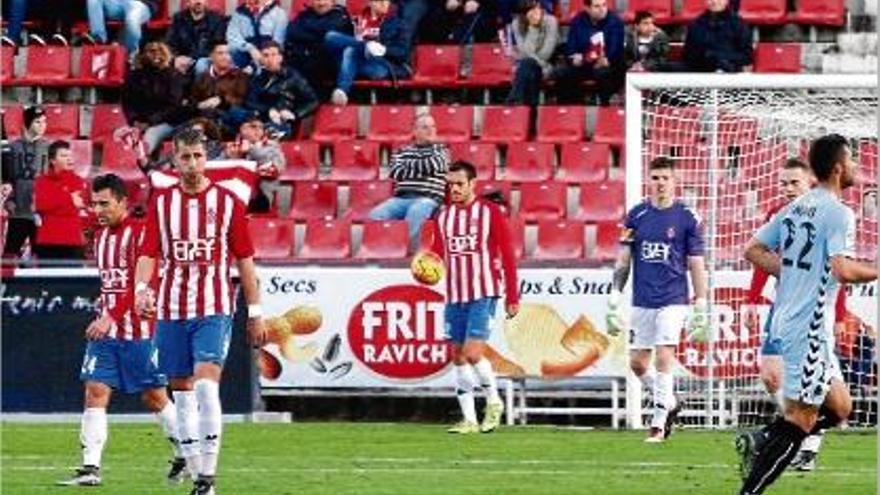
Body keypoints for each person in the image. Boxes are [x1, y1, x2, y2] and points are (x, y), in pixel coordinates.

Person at [738, 134, 877, 495]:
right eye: (852, 161)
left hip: (796, 320)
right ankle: (750, 488)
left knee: (841, 407)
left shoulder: (795, 208)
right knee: (802, 417)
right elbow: (843, 270)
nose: (856, 168)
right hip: (809, 326)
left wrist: (794, 272)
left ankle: (765, 437)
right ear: (837, 168)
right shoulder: (839, 212)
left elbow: (752, 250)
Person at [134, 128, 266, 495]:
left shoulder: (227, 202)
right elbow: (148, 253)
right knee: (183, 395)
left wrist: (255, 312)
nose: (192, 164)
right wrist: (142, 289)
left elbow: (245, 261)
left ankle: (209, 472)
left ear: (206, 158)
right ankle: (199, 480)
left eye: (198, 156)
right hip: (172, 308)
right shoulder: (162, 204)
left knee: (207, 385)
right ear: (174, 160)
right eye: (185, 157)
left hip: (214, 306)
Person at [57, 173, 185, 487]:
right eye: (94, 203)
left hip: (139, 330)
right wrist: (106, 307)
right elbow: (112, 283)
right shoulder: (100, 236)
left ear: (122, 202)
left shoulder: (140, 234)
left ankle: (186, 452)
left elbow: (137, 284)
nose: (98, 209)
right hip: (107, 333)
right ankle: (90, 469)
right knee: (95, 391)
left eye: (105, 203)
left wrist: (110, 315)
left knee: (154, 397)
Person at [736, 158, 848, 474]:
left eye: (794, 183)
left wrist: (839, 315)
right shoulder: (779, 216)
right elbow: (762, 257)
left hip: (817, 317)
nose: (787, 189)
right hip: (785, 308)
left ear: (810, 183)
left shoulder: (830, 217)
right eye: (783, 183)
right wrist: (751, 299)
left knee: (834, 400)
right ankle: (788, 435)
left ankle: (803, 443)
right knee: (771, 376)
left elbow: (841, 270)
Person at [606, 156, 708, 443]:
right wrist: (614, 296)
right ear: (649, 181)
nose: (660, 183)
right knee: (638, 363)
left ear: (675, 181)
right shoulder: (636, 216)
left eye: (665, 178)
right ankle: (671, 401)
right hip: (642, 300)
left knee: (664, 355)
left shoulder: (688, 217)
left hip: (673, 299)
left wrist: (701, 302)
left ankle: (659, 422)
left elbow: (697, 263)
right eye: (655, 178)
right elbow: (624, 260)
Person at [428, 160, 519, 434]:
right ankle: (468, 419)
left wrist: (512, 295)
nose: (454, 189)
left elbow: (507, 253)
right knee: (457, 356)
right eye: (450, 184)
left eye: (459, 184)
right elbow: (437, 256)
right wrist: (426, 269)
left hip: (484, 291)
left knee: (472, 352)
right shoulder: (442, 216)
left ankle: (493, 401)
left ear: (472, 184)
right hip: (455, 293)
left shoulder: (489, 212)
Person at [369, 113, 449, 247]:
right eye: (425, 127)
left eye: (433, 127)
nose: (430, 130)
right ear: (415, 131)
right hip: (401, 199)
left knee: (416, 212)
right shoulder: (401, 151)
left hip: (428, 198)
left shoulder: (441, 151)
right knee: (376, 215)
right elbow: (396, 172)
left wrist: (410, 167)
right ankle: (384, 249)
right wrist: (423, 168)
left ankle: (404, 249)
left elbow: (435, 165)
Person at [325, 0, 412, 106]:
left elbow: (403, 53)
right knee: (331, 37)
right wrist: (365, 46)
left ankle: (342, 90)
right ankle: (366, 47)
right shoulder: (357, 21)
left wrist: (384, 50)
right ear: (370, 3)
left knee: (351, 50)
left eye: (386, 1)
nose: (384, 4)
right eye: (378, 1)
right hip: (357, 61)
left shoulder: (399, 23)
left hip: (383, 65)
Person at [121, 40, 189, 156]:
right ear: (143, 55)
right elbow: (127, 102)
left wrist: (150, 122)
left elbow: (174, 106)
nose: (156, 55)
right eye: (151, 51)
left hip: (166, 122)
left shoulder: (174, 76)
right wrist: (134, 120)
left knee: (150, 136)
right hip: (137, 122)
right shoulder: (134, 76)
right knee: (123, 135)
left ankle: (142, 163)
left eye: (160, 51)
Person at [552, 0, 625, 106]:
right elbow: (570, 48)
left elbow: (615, 50)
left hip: (608, 65)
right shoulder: (578, 21)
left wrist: (607, 60)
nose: (602, 9)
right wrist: (574, 58)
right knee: (563, 74)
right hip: (584, 64)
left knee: (603, 73)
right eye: (597, 6)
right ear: (587, 8)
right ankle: (573, 112)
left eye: (604, 5)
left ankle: (606, 111)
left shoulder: (615, 22)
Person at [244, 41, 319, 139]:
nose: (270, 59)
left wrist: (295, 114)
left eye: (273, 55)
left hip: (284, 121)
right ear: (261, 59)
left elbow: (313, 101)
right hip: (261, 119)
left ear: (280, 57)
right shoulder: (258, 79)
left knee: (271, 133)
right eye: (265, 55)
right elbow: (250, 102)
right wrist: (269, 110)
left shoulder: (292, 77)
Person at [2, 106, 49, 259]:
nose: (43, 125)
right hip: (18, 211)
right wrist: (9, 201)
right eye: (37, 122)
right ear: (27, 124)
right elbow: (6, 179)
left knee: (41, 257)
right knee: (9, 256)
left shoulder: (48, 148)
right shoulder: (12, 148)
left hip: (40, 213)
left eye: (44, 121)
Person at [32, 140, 90, 261]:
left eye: (70, 155)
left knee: (73, 279)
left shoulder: (78, 181)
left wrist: (54, 203)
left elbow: (79, 204)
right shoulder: (41, 181)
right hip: (48, 241)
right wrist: (69, 198)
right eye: (64, 156)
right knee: (47, 279)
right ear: (53, 161)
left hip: (72, 241)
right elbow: (40, 205)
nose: (69, 159)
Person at [283, 0, 354, 98]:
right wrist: (318, 34)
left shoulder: (340, 15)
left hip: (328, 64)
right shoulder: (305, 15)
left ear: (333, 1)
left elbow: (329, 34)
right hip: (304, 58)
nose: (321, 3)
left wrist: (307, 31)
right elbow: (292, 32)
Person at [222, 114, 287, 214]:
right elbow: (219, 168)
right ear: (241, 129)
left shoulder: (272, 147)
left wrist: (251, 149)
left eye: (260, 127)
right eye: (252, 126)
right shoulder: (232, 146)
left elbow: (274, 170)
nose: (256, 130)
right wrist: (231, 158)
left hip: (260, 194)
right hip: (232, 192)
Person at [190, 41, 251, 138]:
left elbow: (240, 101)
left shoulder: (241, 76)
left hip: (231, 118)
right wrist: (199, 104)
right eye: (220, 53)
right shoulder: (202, 77)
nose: (225, 57)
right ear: (211, 56)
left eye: (228, 53)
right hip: (206, 117)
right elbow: (193, 100)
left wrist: (221, 100)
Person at [504, 0, 559, 107]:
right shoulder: (516, 23)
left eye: (534, 8)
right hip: (527, 67)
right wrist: (533, 28)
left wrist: (535, 27)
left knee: (526, 66)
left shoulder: (551, 21)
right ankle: (530, 111)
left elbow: (546, 54)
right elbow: (524, 52)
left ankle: (514, 102)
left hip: (545, 66)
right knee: (528, 69)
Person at [683, 0, 752, 73]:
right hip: (700, 71)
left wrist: (717, 56)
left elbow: (746, 56)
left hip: (728, 71)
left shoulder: (739, 24)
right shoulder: (695, 24)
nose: (714, 1)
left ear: (727, 1)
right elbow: (687, 55)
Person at [166, 0, 228, 77]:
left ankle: (201, 89)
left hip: (206, 58)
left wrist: (191, 59)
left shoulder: (216, 20)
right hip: (182, 58)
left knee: (201, 65)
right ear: (188, 2)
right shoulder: (178, 18)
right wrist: (176, 58)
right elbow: (170, 43)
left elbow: (217, 46)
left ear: (206, 2)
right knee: (168, 64)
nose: (198, 2)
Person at [226, 0, 288, 69]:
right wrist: (250, 49)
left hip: (268, 58)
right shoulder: (239, 13)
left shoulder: (279, 14)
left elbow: (278, 42)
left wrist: (263, 57)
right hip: (243, 58)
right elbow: (232, 37)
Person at [86, 0, 157, 55]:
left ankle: (130, 54)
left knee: (131, 20)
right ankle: (98, 37)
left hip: (139, 4)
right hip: (117, 3)